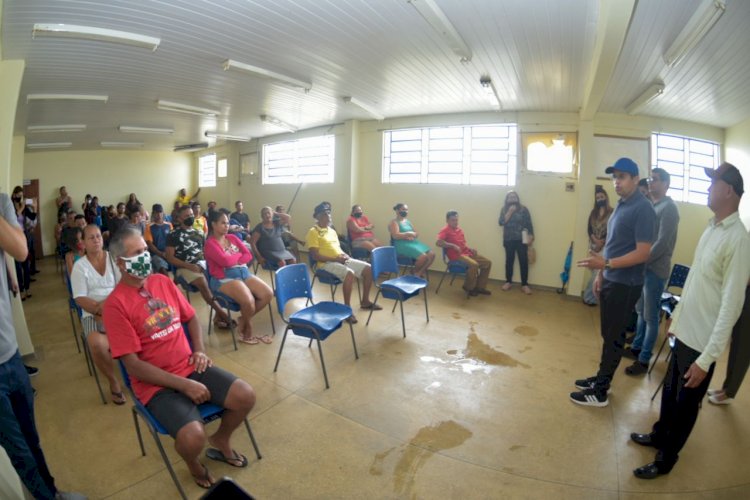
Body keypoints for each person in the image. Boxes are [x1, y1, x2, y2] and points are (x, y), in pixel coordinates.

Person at [103, 227, 256, 490]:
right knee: (193, 438)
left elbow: (191, 317)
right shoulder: (115, 305)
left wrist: (199, 351)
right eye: (137, 253)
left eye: (145, 250)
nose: (145, 257)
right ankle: (194, 464)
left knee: (245, 396)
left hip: (191, 365)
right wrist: (184, 385)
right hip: (157, 386)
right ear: (120, 262)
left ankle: (221, 439)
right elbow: (133, 366)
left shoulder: (162, 282)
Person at [630, 162, 750, 478]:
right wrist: (677, 319)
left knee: (685, 407)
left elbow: (731, 305)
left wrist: (707, 359)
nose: (709, 188)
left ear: (728, 190)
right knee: (669, 393)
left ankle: (667, 458)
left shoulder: (739, 240)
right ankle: (658, 435)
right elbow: (696, 282)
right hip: (685, 333)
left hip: (702, 345)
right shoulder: (712, 228)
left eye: (714, 184)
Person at [0, 190, 87, 500]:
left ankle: (51, 493)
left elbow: (21, 250)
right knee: (18, 450)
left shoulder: (0, 201)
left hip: (9, 352)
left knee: (30, 438)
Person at [572, 157, 656, 407]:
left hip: (626, 284)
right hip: (610, 278)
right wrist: (601, 274)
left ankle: (600, 392)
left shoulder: (644, 209)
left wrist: (606, 266)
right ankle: (600, 378)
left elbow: (643, 253)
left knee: (615, 337)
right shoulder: (621, 204)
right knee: (608, 335)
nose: (616, 182)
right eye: (614, 177)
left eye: (622, 177)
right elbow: (611, 244)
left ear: (635, 179)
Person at [624, 168, 680, 375]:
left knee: (651, 317)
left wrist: (641, 260)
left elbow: (662, 243)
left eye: (655, 180)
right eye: (650, 180)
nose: (650, 183)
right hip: (643, 267)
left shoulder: (669, 208)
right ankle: (637, 348)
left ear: (666, 184)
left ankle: (644, 359)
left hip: (655, 270)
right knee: (640, 312)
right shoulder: (651, 205)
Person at [71, 225, 125, 405]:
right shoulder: (80, 266)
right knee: (96, 343)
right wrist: (97, 310)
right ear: (83, 243)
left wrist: (107, 307)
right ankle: (113, 380)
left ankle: (138, 372)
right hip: (91, 312)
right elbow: (79, 298)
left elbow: (123, 287)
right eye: (91, 238)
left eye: (98, 237)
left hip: (117, 309)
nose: (96, 240)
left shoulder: (113, 259)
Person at [205, 211, 274, 345]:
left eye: (228, 223)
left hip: (243, 273)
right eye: (223, 223)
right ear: (213, 224)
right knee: (248, 301)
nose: (226, 226)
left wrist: (234, 260)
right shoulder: (210, 244)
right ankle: (247, 329)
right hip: (224, 278)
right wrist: (238, 258)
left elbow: (248, 255)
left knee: (267, 293)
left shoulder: (232, 238)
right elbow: (225, 262)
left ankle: (243, 319)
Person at [307, 202, 382, 324]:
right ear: (318, 217)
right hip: (324, 264)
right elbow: (315, 256)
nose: (329, 216)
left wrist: (344, 254)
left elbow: (337, 248)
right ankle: (347, 310)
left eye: (329, 213)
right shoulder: (313, 232)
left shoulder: (331, 231)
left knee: (368, 269)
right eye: (326, 214)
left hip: (340, 259)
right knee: (349, 273)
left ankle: (365, 301)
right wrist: (337, 259)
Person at [165, 205, 233, 329]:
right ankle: (223, 314)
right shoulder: (173, 234)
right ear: (179, 219)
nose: (190, 217)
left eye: (191, 215)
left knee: (220, 279)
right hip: (184, 268)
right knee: (203, 281)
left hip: (202, 265)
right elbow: (169, 258)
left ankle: (217, 317)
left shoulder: (199, 232)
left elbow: (205, 251)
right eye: (186, 216)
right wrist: (189, 266)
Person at [707, 286, 750, 405]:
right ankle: (726, 388)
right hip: (745, 298)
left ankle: (730, 393)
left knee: (743, 353)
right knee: (736, 347)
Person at [436, 210, 492, 296]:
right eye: (453, 220)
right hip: (456, 256)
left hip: (466, 253)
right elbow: (438, 243)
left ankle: (480, 287)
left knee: (488, 263)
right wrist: (452, 245)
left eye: (456, 220)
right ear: (447, 220)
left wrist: (470, 249)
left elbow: (462, 245)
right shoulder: (445, 230)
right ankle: (468, 287)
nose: (455, 222)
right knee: (474, 265)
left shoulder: (459, 230)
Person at [498, 191, 535, 294]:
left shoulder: (524, 209)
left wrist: (531, 235)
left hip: (521, 239)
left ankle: (524, 284)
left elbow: (529, 223)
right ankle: (508, 282)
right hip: (508, 239)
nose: (512, 198)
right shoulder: (504, 209)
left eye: (514, 196)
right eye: (510, 197)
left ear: (517, 198)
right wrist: (509, 212)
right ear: (507, 199)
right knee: (509, 261)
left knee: (523, 262)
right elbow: (501, 222)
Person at [583, 186, 613, 305]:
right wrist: (595, 240)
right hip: (593, 245)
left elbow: (613, 230)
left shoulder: (612, 212)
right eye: (597, 198)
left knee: (598, 272)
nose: (600, 199)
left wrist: (602, 242)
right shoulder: (593, 213)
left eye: (601, 197)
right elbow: (589, 229)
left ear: (606, 197)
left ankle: (589, 298)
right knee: (593, 272)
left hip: (605, 247)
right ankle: (594, 296)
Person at [389, 203, 435, 279]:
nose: (405, 211)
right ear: (397, 211)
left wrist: (412, 235)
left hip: (412, 242)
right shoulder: (394, 222)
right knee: (423, 257)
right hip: (401, 244)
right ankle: (415, 273)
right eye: (403, 209)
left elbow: (416, 233)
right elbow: (395, 236)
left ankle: (418, 272)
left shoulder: (407, 221)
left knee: (431, 254)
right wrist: (408, 234)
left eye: (406, 210)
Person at [11, 186, 37, 300]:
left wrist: (34, 207)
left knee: (26, 265)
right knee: (18, 267)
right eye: (18, 195)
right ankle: (21, 291)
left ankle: (27, 289)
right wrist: (21, 208)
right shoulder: (10, 207)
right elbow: (14, 216)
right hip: (14, 238)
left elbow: (32, 217)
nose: (19, 197)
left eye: (21, 195)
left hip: (23, 236)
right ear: (14, 195)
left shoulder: (24, 207)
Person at [144, 204, 172, 275]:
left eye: (160, 212)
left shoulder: (169, 225)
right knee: (162, 269)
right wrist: (162, 254)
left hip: (169, 253)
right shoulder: (149, 227)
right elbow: (150, 244)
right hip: (156, 254)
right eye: (156, 212)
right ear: (153, 214)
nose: (159, 215)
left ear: (163, 213)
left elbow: (173, 241)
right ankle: (168, 284)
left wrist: (170, 253)